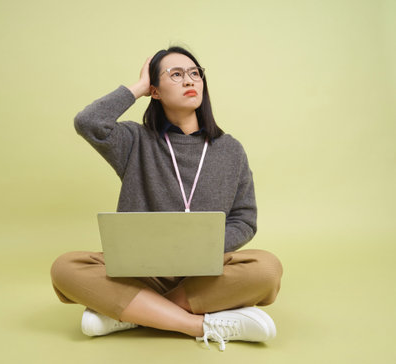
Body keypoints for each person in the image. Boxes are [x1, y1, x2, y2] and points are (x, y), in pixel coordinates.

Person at [50, 46, 283, 351]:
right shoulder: (135, 141)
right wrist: (138, 88)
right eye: (176, 75)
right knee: (65, 268)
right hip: (141, 272)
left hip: (204, 274)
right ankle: (199, 324)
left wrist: (202, 246)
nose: (189, 81)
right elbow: (88, 122)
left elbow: (244, 219)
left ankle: (132, 314)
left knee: (266, 269)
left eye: (195, 73)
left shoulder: (230, 149)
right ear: (156, 90)